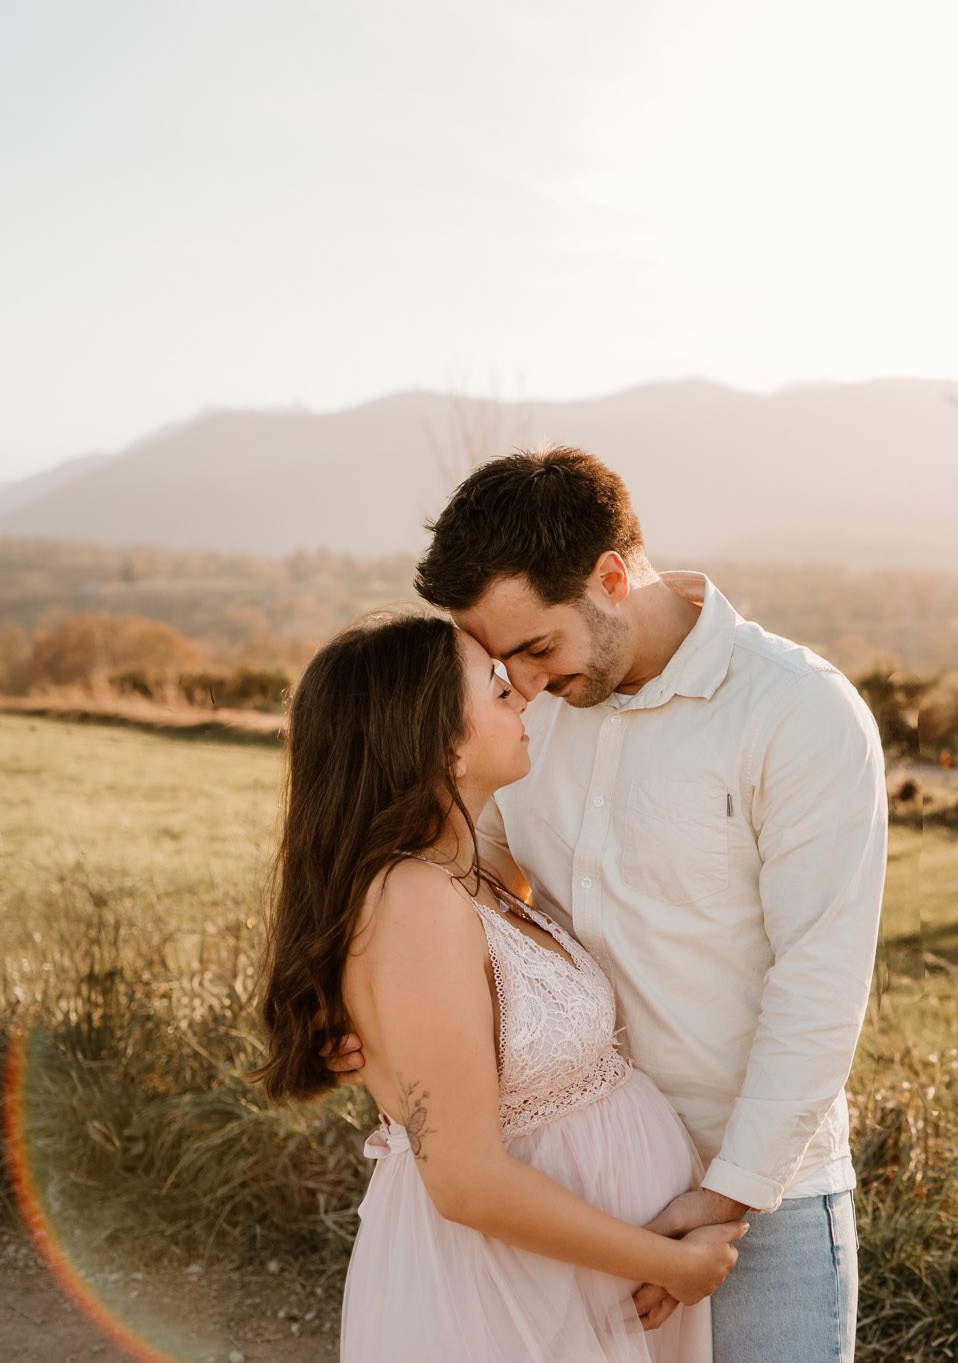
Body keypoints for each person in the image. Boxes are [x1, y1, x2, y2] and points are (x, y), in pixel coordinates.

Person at [336, 445, 889, 1360]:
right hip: (574, 1201)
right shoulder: (525, 715)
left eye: (537, 646)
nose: (525, 679)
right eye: (500, 659)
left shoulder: (798, 713)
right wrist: (366, 1010)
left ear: (612, 575)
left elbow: (821, 986)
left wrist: (726, 1196)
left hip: (759, 1200)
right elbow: (472, 891)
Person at [256, 612, 747, 1361]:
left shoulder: (465, 877)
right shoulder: (413, 901)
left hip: (574, 1282)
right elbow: (465, 1181)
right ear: (445, 745)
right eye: (493, 685)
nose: (522, 693)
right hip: (505, 1295)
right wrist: (672, 1263)